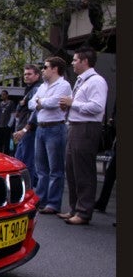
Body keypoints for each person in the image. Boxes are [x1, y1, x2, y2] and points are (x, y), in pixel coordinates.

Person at [57, 47, 109, 225]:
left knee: (84, 171)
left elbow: (97, 107)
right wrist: (69, 106)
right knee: (71, 169)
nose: (72, 63)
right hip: (75, 126)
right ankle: (74, 208)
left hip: (86, 128)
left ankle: (84, 211)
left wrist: (74, 103)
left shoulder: (96, 81)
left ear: (84, 61)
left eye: (75, 60)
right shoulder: (81, 81)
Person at [28, 56, 71, 215]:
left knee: (55, 168)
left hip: (55, 128)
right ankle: (41, 200)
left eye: (45, 67)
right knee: (41, 168)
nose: (43, 70)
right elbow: (31, 104)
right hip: (41, 128)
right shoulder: (43, 86)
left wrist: (41, 102)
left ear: (55, 69)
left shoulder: (64, 85)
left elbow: (53, 103)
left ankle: (53, 203)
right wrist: (41, 102)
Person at [12, 64, 43, 188]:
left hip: (29, 131)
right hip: (24, 129)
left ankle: (27, 191)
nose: (26, 76)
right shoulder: (29, 89)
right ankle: (28, 188)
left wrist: (25, 129)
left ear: (37, 75)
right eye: (25, 74)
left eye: (29, 74)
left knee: (25, 162)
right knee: (22, 160)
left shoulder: (37, 89)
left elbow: (35, 112)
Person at [0, 90, 15, 154]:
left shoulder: (11, 103)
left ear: (7, 95)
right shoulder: (0, 104)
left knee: (6, 144)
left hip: (6, 126)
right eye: (1, 95)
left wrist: (9, 125)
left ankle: (6, 155)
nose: (2, 96)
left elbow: (12, 115)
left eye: (4, 94)